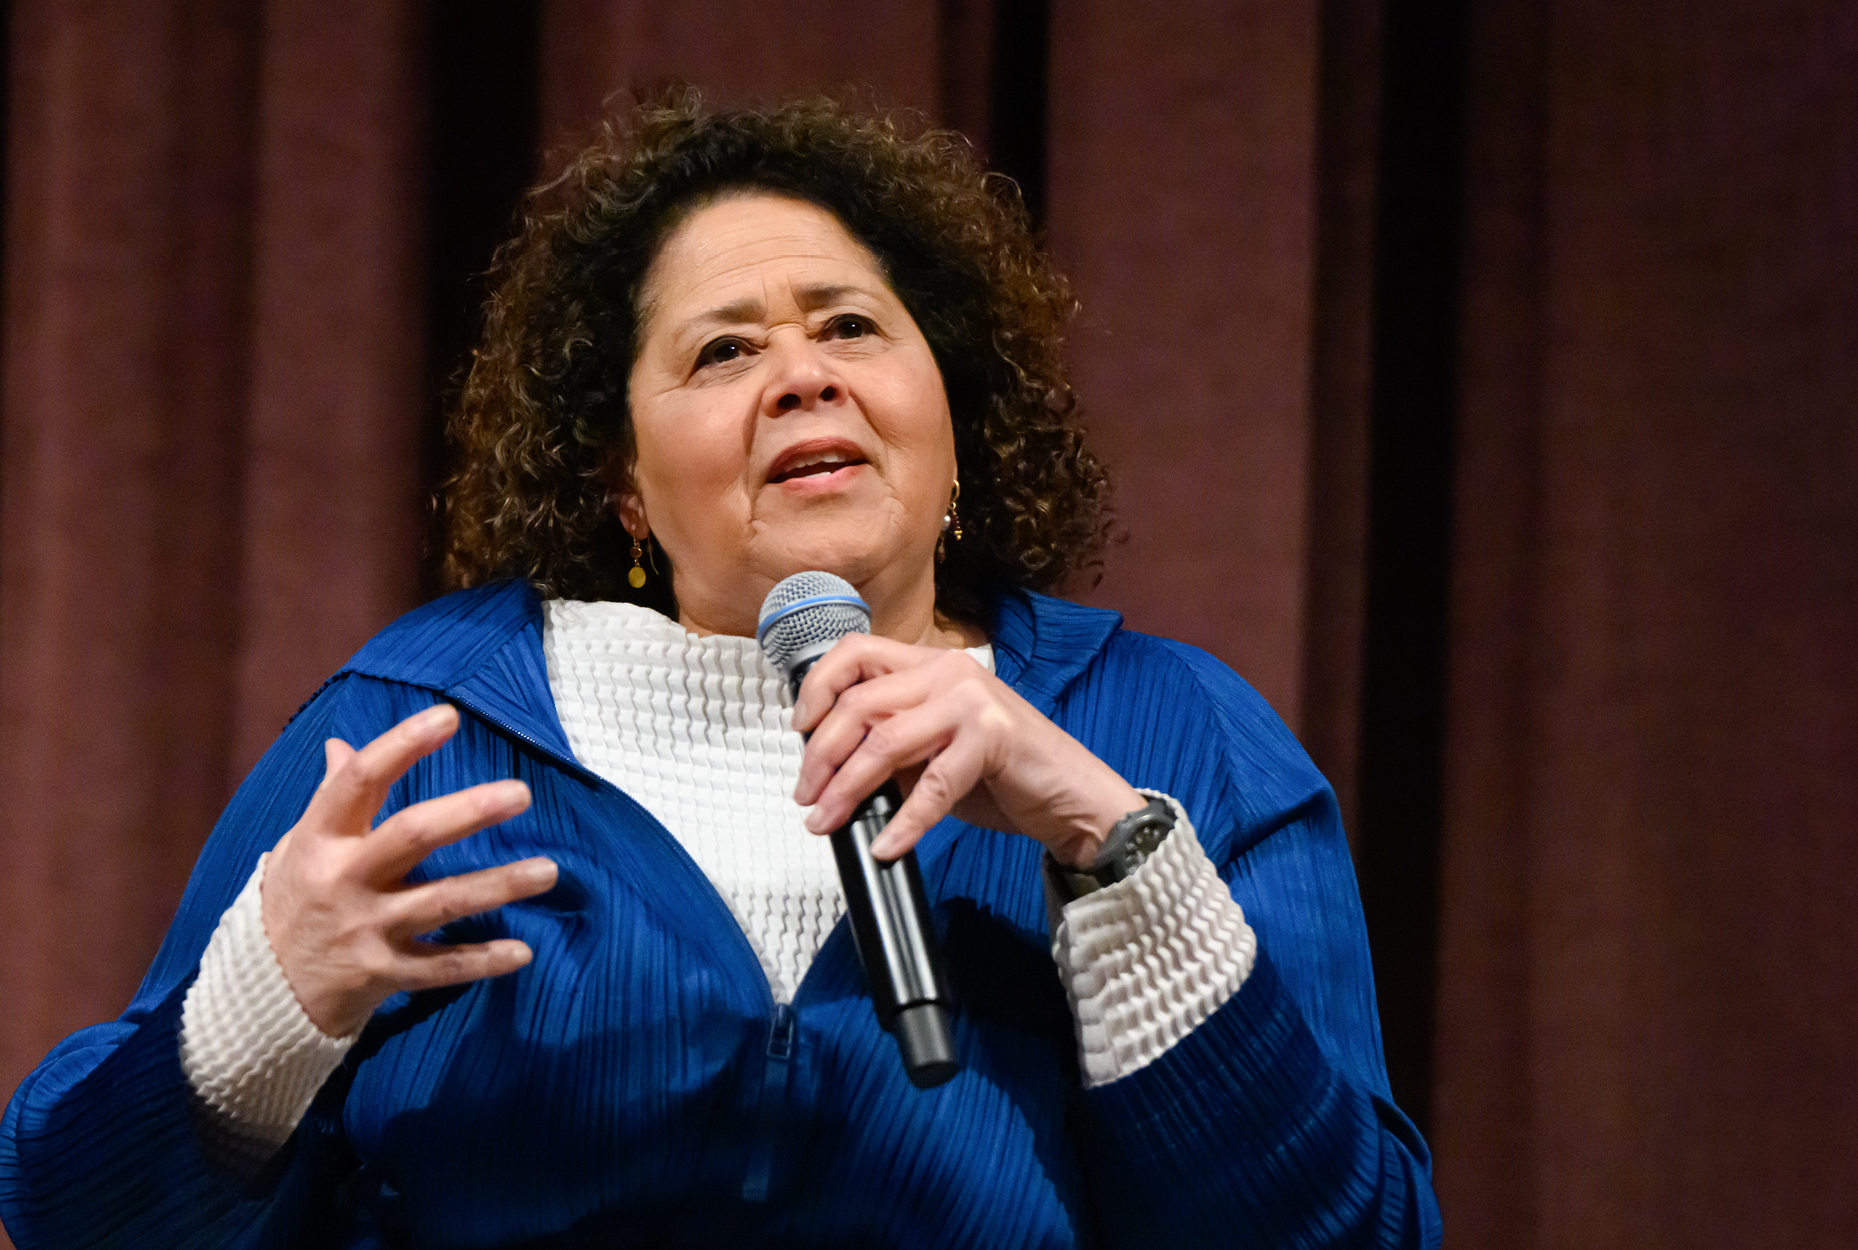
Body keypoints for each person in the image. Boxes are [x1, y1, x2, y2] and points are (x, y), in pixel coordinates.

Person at [0, 95, 1442, 1247]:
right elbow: (71, 1219)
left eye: (850, 327)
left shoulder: (1167, 738)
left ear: (953, 422)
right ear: (624, 486)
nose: (801, 375)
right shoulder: (417, 736)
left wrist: (1106, 849)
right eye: (721, 350)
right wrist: (265, 1005)